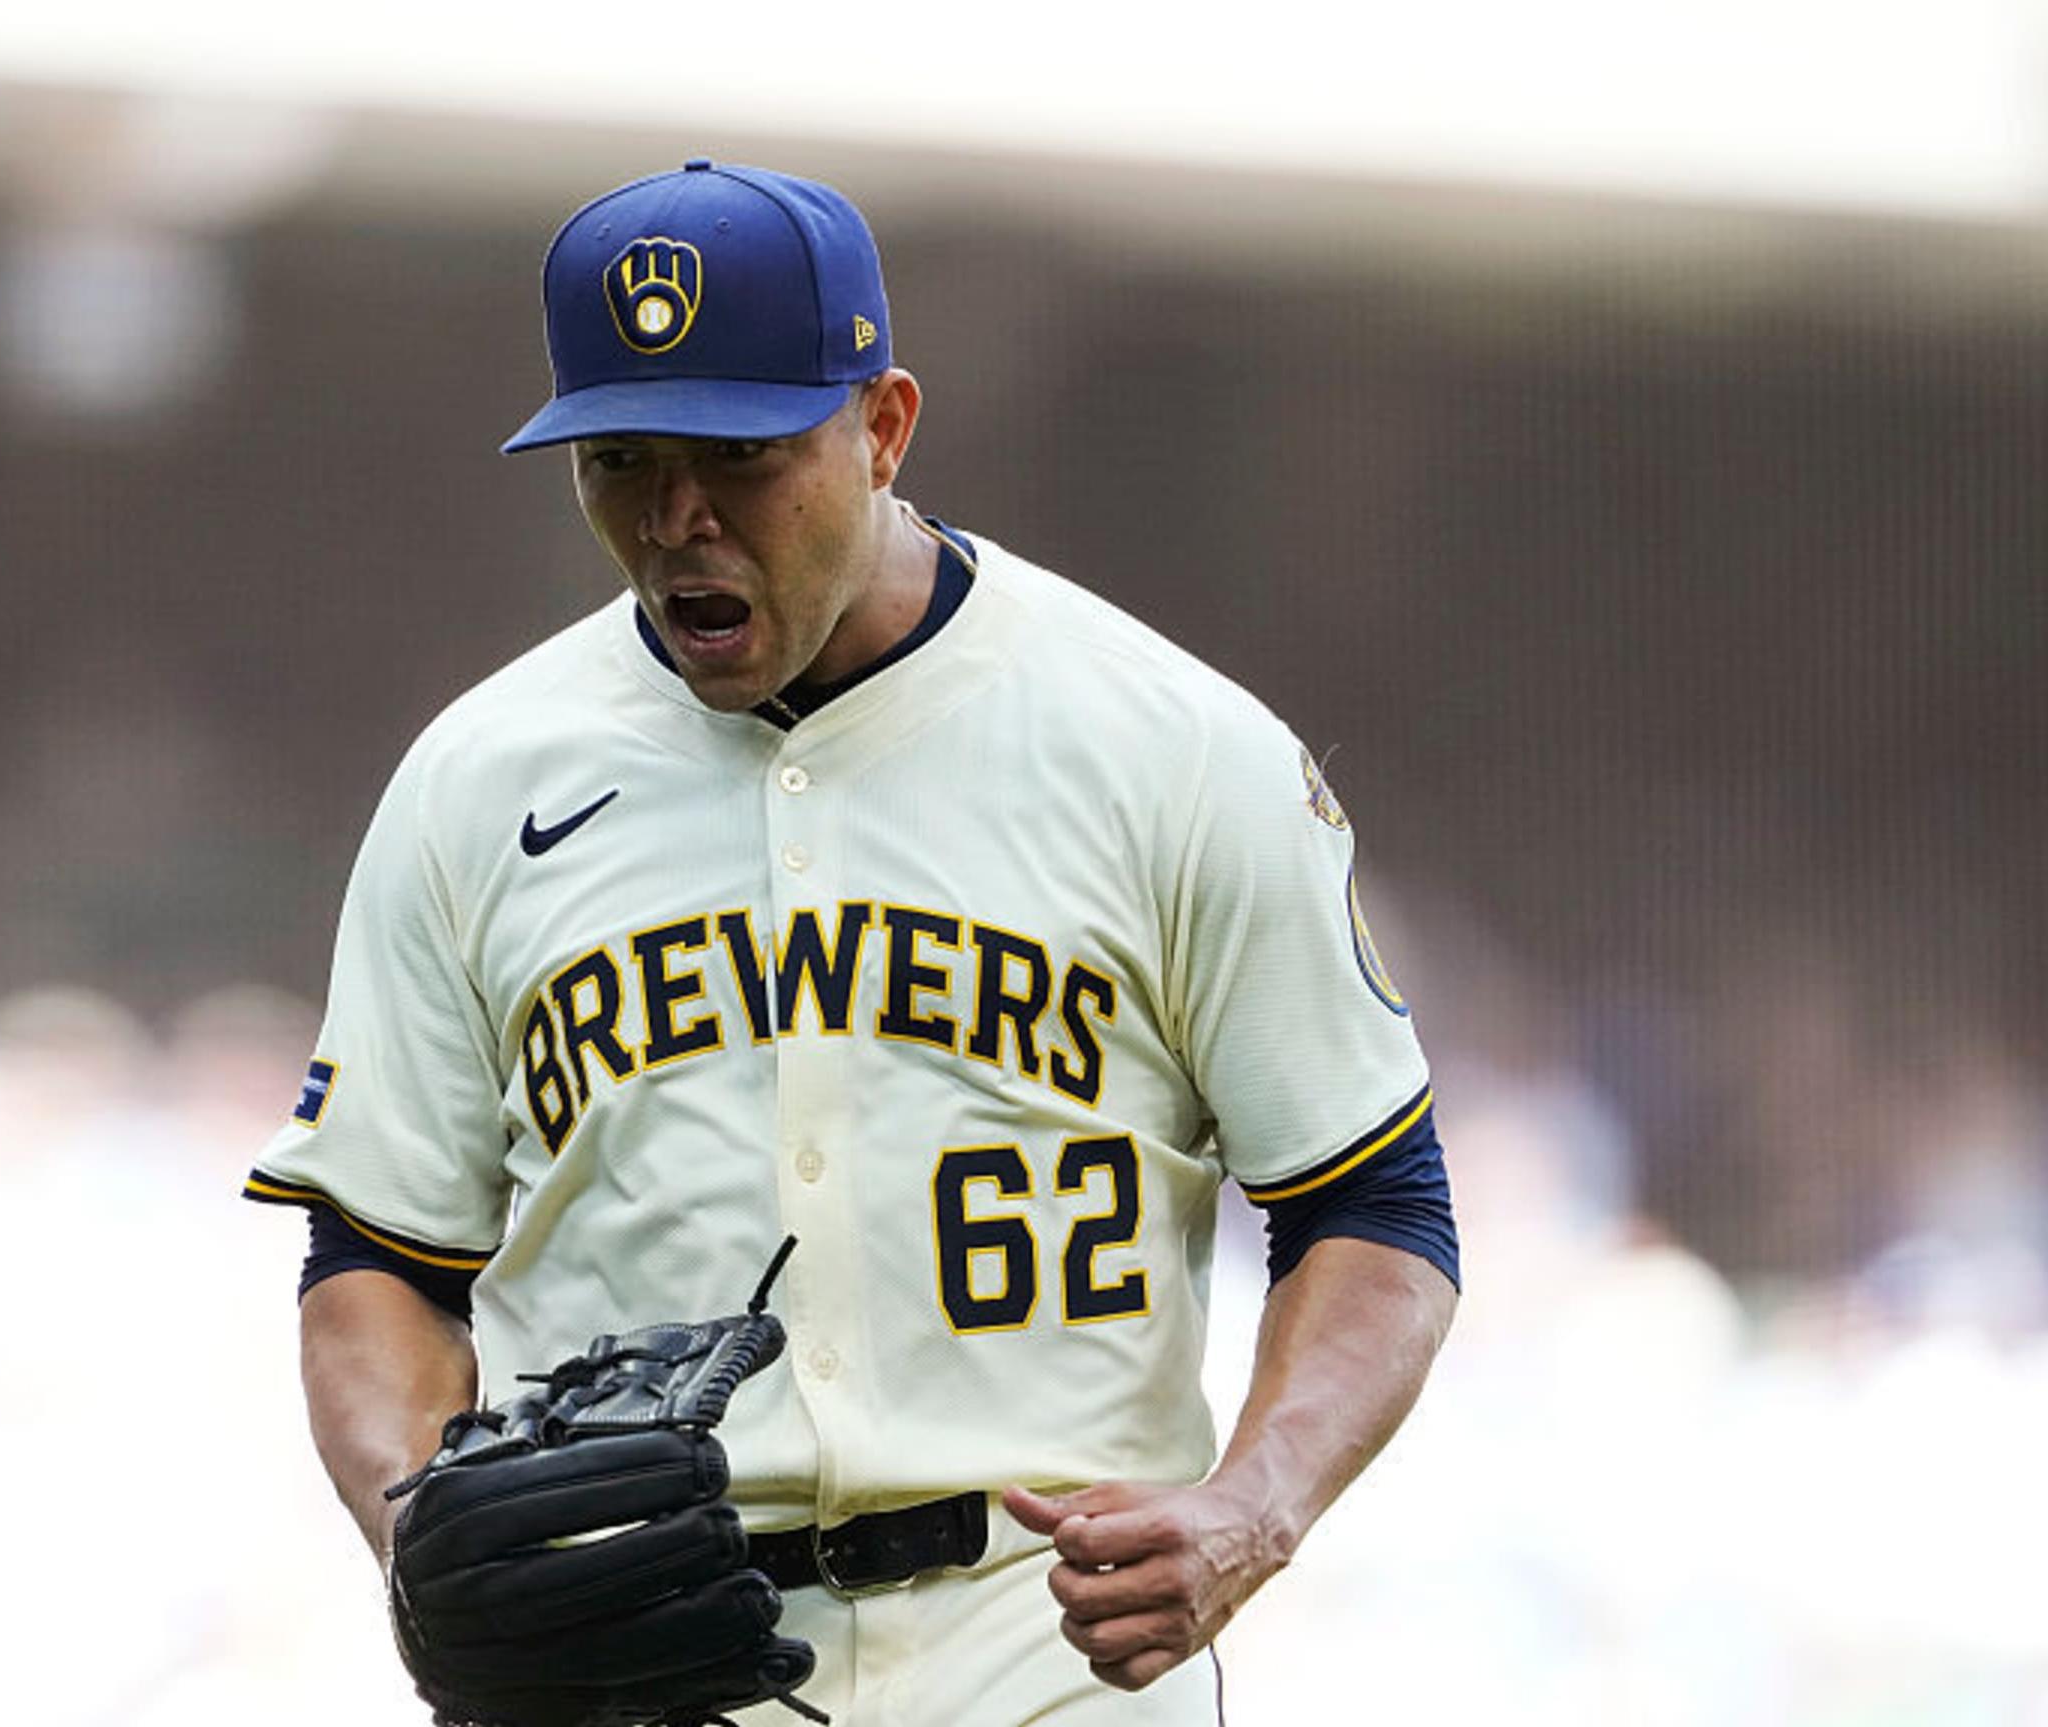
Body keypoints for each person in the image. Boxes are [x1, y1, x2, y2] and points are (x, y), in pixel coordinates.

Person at [244, 159, 1460, 1726]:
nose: (678, 518)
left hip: (1053, 1656)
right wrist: (419, 1528)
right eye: (620, 457)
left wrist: (1255, 1504)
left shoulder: (1169, 748)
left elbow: (1376, 1205)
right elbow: (377, 1257)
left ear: (882, 427)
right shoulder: (478, 782)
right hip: (641, 1661)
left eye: (741, 456)